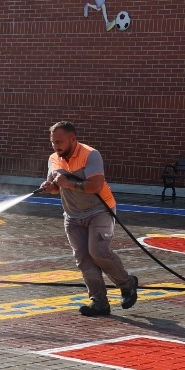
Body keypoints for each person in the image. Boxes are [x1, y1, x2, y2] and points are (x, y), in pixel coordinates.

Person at [40, 121, 138, 317]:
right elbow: (56, 186)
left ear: (73, 139)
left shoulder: (91, 155)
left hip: (99, 210)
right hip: (73, 215)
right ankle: (99, 302)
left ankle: (127, 283)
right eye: (53, 142)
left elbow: (95, 185)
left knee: (98, 252)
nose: (55, 146)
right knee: (84, 258)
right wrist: (50, 187)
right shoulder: (54, 158)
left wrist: (68, 182)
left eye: (59, 142)